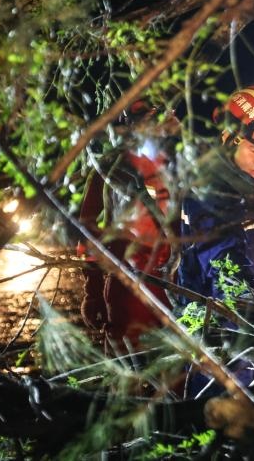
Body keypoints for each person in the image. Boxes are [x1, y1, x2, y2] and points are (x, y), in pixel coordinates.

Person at [177, 85, 254, 303]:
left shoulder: (241, 183)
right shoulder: (210, 191)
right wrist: (251, 308)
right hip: (216, 321)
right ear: (228, 139)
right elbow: (222, 263)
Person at [77, 102, 173, 346]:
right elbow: (87, 230)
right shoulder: (108, 169)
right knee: (125, 371)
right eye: (143, 119)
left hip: (172, 292)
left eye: (157, 117)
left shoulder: (181, 166)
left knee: (175, 373)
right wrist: (92, 291)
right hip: (125, 290)